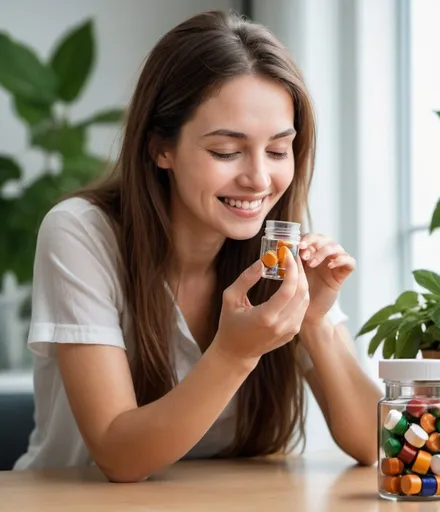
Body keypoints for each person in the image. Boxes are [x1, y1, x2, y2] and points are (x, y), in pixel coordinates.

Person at [14, 10, 382, 481]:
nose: (259, 179)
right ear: (160, 147)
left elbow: (375, 443)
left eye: (277, 150)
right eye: (226, 152)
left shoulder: (272, 247)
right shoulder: (81, 234)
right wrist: (234, 354)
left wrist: (313, 321)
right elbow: (118, 454)